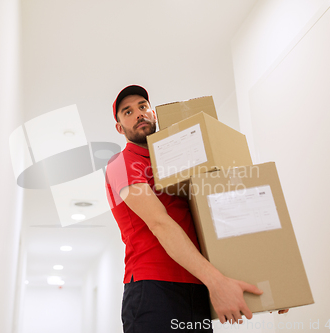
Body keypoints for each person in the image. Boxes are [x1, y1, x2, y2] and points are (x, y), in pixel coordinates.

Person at [105, 85, 287, 332]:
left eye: (143, 106)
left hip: (197, 287)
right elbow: (160, 223)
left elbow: (221, 218)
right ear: (120, 128)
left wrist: (266, 283)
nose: (138, 114)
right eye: (128, 112)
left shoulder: (175, 164)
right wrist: (217, 283)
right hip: (153, 287)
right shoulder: (121, 163)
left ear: (153, 113)